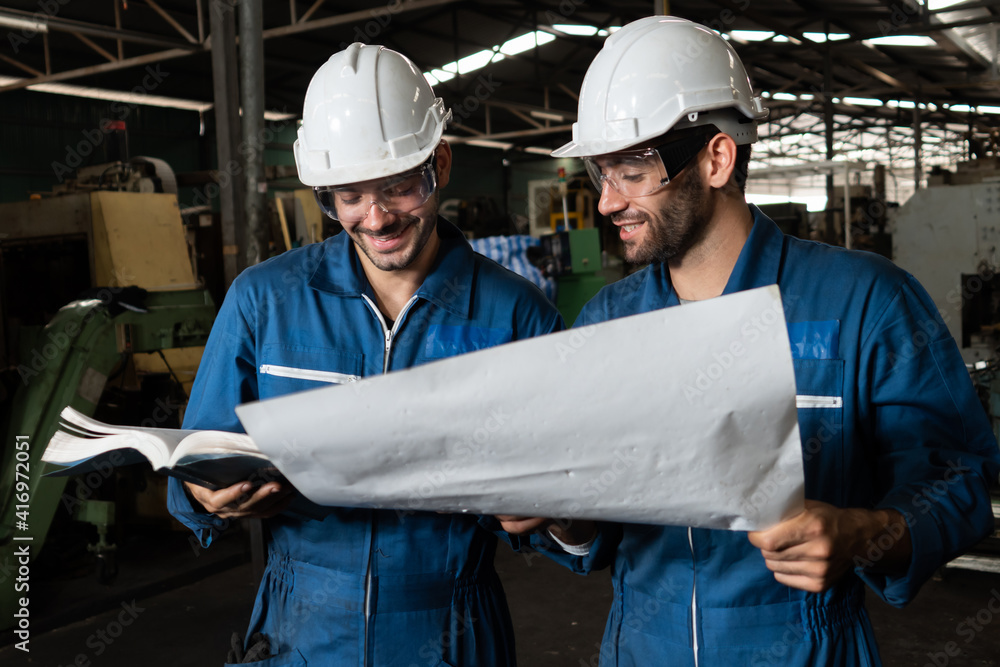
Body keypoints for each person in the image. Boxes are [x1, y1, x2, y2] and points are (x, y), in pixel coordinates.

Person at [499, 16, 1000, 665]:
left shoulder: (863, 300)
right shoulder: (605, 321)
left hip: (806, 647)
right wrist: (559, 515)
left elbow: (960, 477)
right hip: (641, 645)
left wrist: (864, 532)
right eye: (602, 172)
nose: (605, 202)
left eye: (631, 170)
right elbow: (594, 528)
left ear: (715, 158)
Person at [168, 43, 563, 666]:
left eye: (399, 187)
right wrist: (201, 495)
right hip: (299, 628)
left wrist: (552, 515)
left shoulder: (517, 317)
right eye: (347, 196)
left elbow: (573, 518)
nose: (375, 217)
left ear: (441, 164)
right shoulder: (263, 301)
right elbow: (197, 461)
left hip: (450, 628)